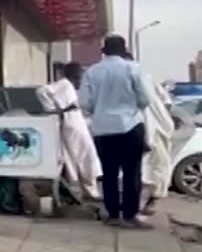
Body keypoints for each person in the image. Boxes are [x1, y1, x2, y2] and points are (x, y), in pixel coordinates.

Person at [79, 35, 150, 228]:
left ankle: (112, 215)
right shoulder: (133, 68)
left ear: (104, 52)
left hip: (103, 129)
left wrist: (101, 110)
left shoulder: (92, 72)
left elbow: (84, 103)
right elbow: (145, 100)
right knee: (132, 172)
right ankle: (130, 215)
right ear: (123, 50)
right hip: (131, 126)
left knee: (109, 173)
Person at [38, 62, 101, 200]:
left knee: (78, 156)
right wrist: (55, 110)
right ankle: (88, 190)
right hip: (71, 123)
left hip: (74, 122)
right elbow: (41, 91)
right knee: (84, 155)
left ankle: (86, 190)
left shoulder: (70, 87)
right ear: (75, 75)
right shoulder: (65, 84)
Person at [132, 56, 174, 215]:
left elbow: (166, 102)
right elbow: (166, 102)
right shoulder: (142, 79)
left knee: (155, 167)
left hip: (154, 130)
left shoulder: (144, 80)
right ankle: (141, 204)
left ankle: (148, 202)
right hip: (148, 129)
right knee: (149, 168)